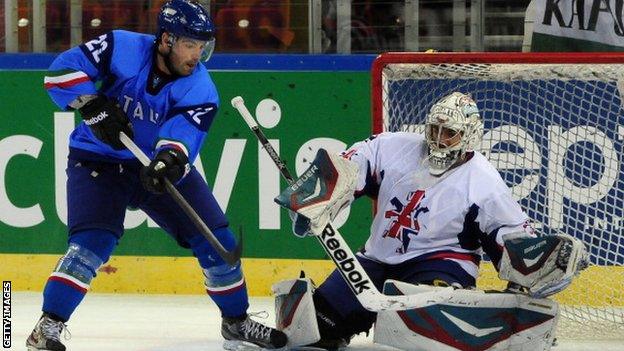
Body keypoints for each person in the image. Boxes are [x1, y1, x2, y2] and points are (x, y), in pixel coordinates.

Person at [27, 1, 287, 350]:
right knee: (91, 245)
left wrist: (168, 159)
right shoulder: (122, 47)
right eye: (190, 45)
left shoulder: (201, 88)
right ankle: (47, 327)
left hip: (154, 167)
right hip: (98, 162)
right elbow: (60, 73)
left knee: (217, 241)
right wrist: (89, 104)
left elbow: (182, 138)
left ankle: (236, 322)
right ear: (166, 40)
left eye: (203, 46)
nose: (198, 55)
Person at [279, 92, 585, 349]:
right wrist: (317, 196)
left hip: (440, 263)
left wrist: (543, 262)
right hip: (375, 260)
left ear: (469, 136)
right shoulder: (392, 146)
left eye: (448, 132)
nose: (439, 139)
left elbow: (513, 242)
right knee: (309, 332)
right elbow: (350, 166)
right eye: (435, 129)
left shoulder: (484, 182)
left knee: (418, 330)